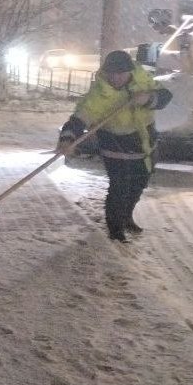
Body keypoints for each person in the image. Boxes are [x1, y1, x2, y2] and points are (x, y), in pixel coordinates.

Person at [56, 50, 173, 243]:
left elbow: (165, 96)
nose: (116, 78)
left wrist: (148, 98)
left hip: (144, 142)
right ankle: (115, 228)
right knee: (120, 187)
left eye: (121, 73)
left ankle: (126, 217)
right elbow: (80, 118)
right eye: (112, 73)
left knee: (139, 182)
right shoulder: (99, 95)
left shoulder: (142, 80)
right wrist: (67, 139)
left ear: (130, 71)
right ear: (105, 72)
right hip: (115, 144)